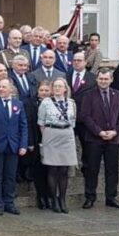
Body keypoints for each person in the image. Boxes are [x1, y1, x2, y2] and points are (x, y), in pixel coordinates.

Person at [79, 68, 119, 209]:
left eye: (106, 79)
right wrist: (99, 131)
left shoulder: (118, 95)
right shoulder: (89, 95)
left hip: (113, 138)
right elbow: (85, 116)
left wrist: (116, 131)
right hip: (94, 138)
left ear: (111, 80)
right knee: (92, 169)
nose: (103, 81)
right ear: (97, 79)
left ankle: (111, 197)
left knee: (112, 170)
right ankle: (90, 197)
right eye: (101, 78)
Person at [0, 79, 28, 215]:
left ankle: (9, 202)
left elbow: (23, 126)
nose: (1, 89)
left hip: (13, 146)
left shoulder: (18, 104)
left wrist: (23, 145)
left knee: (10, 176)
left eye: (4, 87)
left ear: (11, 89)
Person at [38, 77, 78, 213]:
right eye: (55, 86)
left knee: (64, 170)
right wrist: (47, 136)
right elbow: (41, 122)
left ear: (65, 89)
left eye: (60, 86)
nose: (57, 89)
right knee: (53, 169)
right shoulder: (46, 102)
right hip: (51, 134)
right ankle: (54, 199)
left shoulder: (71, 103)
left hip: (66, 134)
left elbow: (73, 121)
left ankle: (62, 199)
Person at [25, 82, 53, 209]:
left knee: (51, 171)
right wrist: (30, 142)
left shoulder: (54, 103)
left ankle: (50, 196)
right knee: (39, 170)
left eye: (47, 90)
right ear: (37, 91)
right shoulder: (31, 103)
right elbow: (28, 124)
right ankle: (41, 196)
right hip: (37, 140)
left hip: (52, 141)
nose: (44, 92)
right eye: (41, 90)